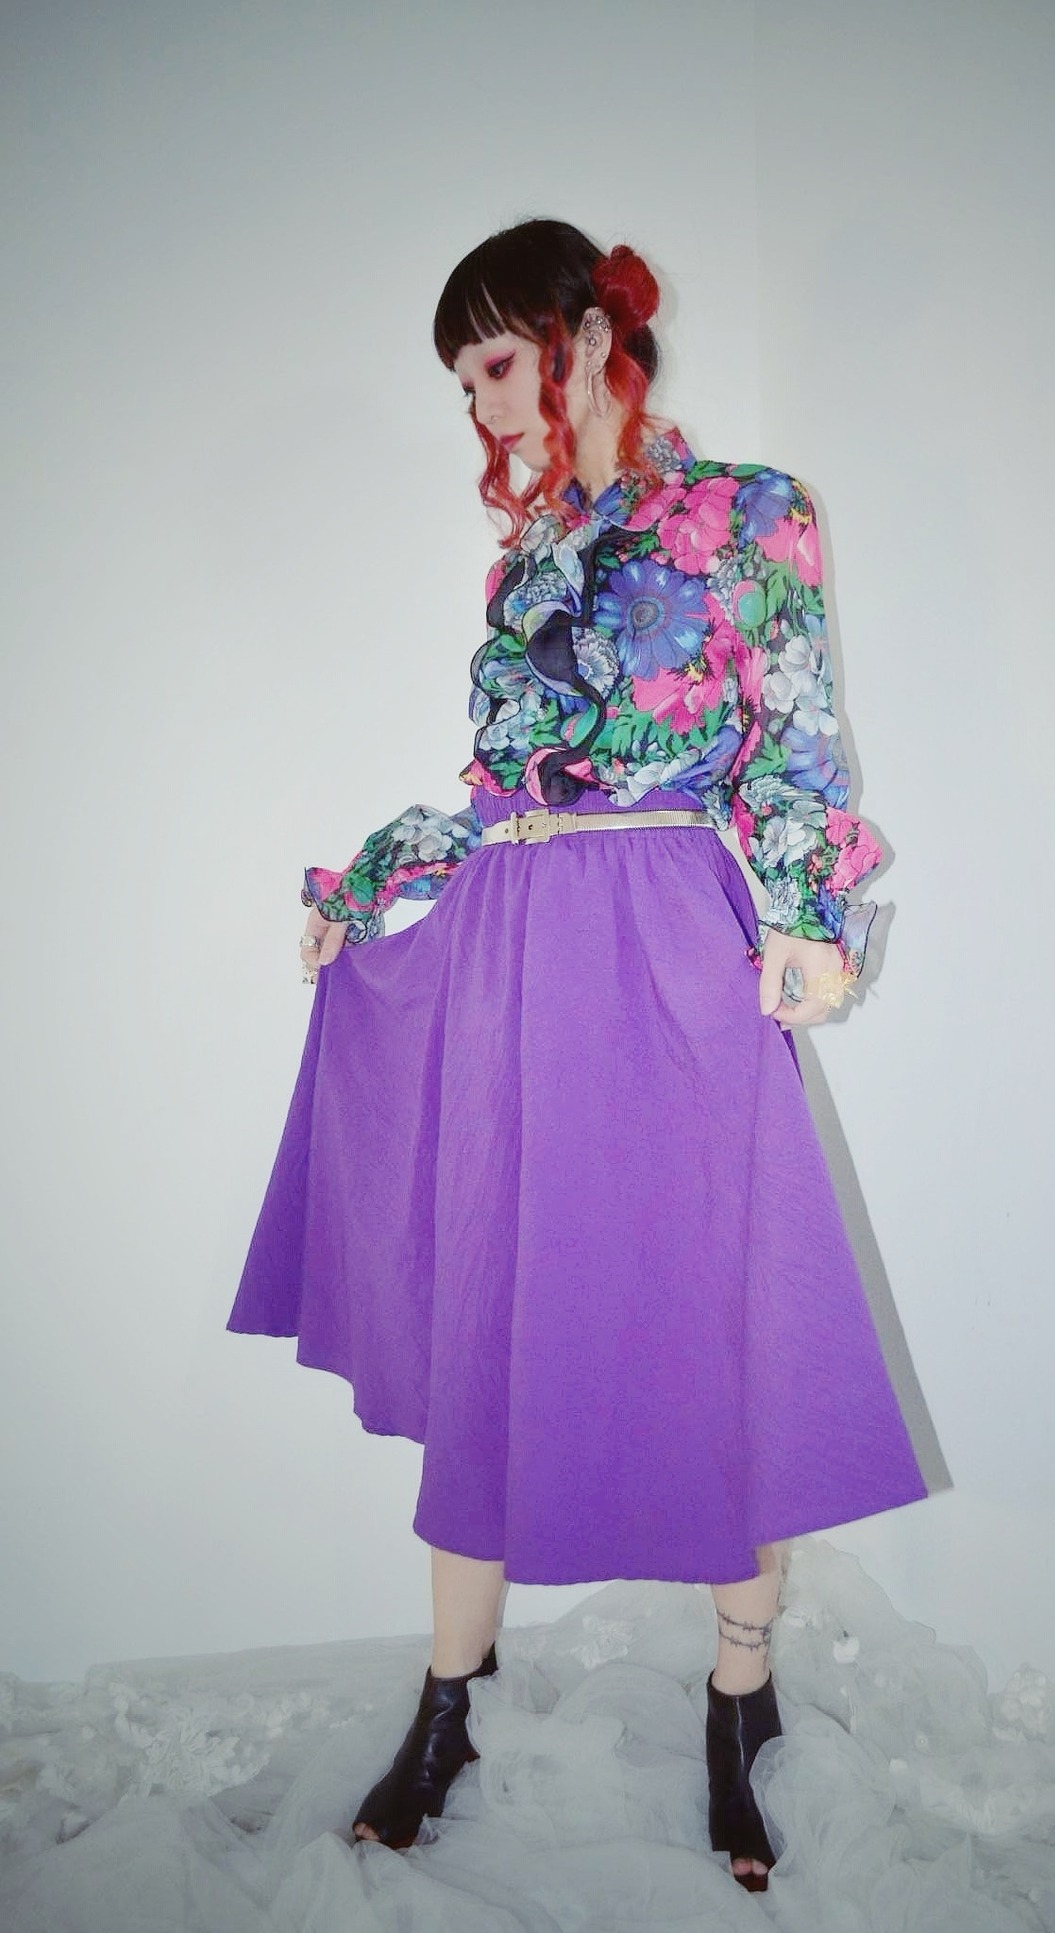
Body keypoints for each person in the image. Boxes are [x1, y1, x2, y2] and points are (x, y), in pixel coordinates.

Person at [228, 216, 928, 1892]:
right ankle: (447, 1704)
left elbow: (797, 743)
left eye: (490, 363)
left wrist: (810, 912)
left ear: (578, 336)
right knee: (487, 1309)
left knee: (712, 1309)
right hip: (513, 953)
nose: (480, 403)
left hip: (673, 949)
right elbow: (494, 796)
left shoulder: (753, 512)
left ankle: (739, 1694)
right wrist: (368, 885)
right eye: (464, 380)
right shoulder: (530, 555)